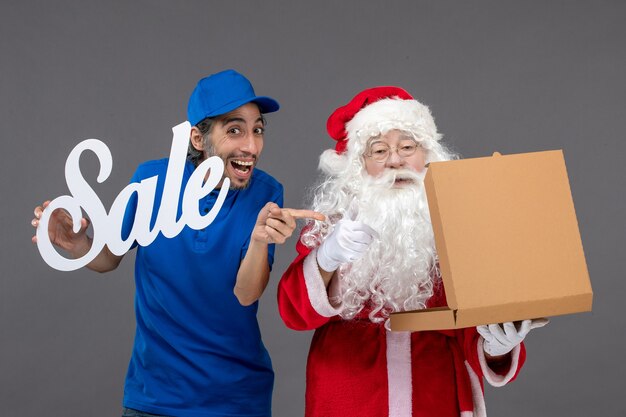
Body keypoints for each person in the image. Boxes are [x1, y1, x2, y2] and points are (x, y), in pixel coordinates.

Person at [32, 69, 323, 417]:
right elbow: (109, 258)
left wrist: (260, 240)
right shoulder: (152, 181)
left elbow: (246, 293)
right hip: (155, 396)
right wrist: (77, 243)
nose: (251, 145)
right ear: (198, 140)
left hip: (237, 398)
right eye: (234, 130)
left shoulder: (266, 192)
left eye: (257, 129)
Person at [277, 86, 547, 417]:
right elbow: (294, 314)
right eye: (378, 151)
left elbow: (471, 329)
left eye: (407, 146)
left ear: (427, 156)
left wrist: (496, 346)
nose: (395, 160)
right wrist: (327, 257)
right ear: (358, 165)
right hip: (348, 396)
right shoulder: (329, 225)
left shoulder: (459, 227)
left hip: (434, 396)